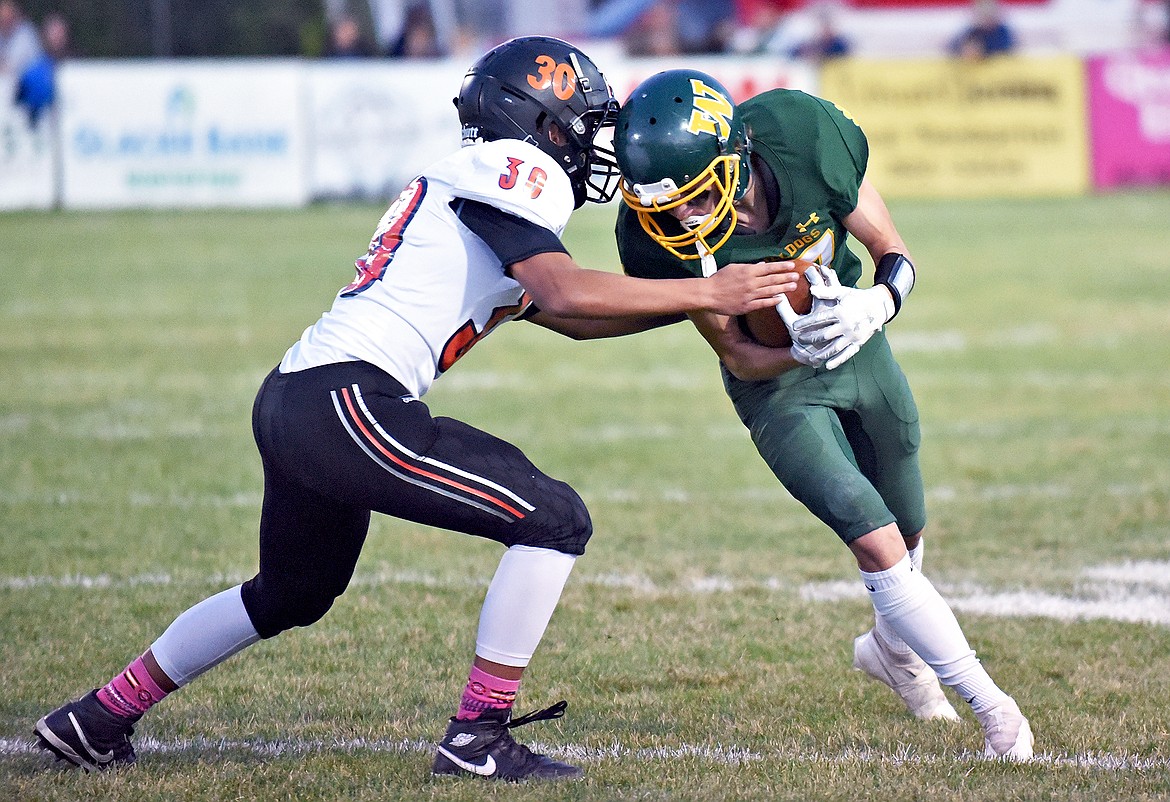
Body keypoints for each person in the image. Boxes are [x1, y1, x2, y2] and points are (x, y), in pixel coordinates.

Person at [31, 38, 793, 782]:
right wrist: (709, 291)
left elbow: (564, 314)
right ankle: (477, 736)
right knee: (555, 519)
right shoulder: (515, 166)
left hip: (301, 396)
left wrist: (697, 309)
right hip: (348, 401)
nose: (593, 141)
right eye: (580, 123)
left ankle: (96, 718)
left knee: (292, 591)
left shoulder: (480, 179)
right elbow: (565, 292)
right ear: (539, 122)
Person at [612, 69, 1035, 761]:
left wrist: (878, 306)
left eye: (692, 198)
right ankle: (996, 710)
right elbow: (740, 357)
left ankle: (890, 654)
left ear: (734, 159)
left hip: (860, 344)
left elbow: (894, 253)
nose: (680, 220)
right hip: (778, 390)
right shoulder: (660, 238)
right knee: (874, 540)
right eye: (664, 208)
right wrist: (798, 352)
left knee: (909, 523)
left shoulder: (803, 137)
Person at [15, 11, 69, 125]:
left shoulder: (74, 62)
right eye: (53, 33)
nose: (56, 38)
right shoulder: (35, 68)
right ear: (45, 35)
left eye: (59, 33)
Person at [948, 0, 1016, 60]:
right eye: (982, 11)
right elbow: (954, 46)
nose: (986, 14)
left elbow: (1006, 50)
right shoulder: (973, 31)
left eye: (989, 11)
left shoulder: (1002, 32)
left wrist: (983, 52)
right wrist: (965, 50)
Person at [0, 0, 42, 78]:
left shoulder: (27, 34)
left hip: (25, 81)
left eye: (7, 13)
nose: (4, 19)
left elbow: (15, 67)